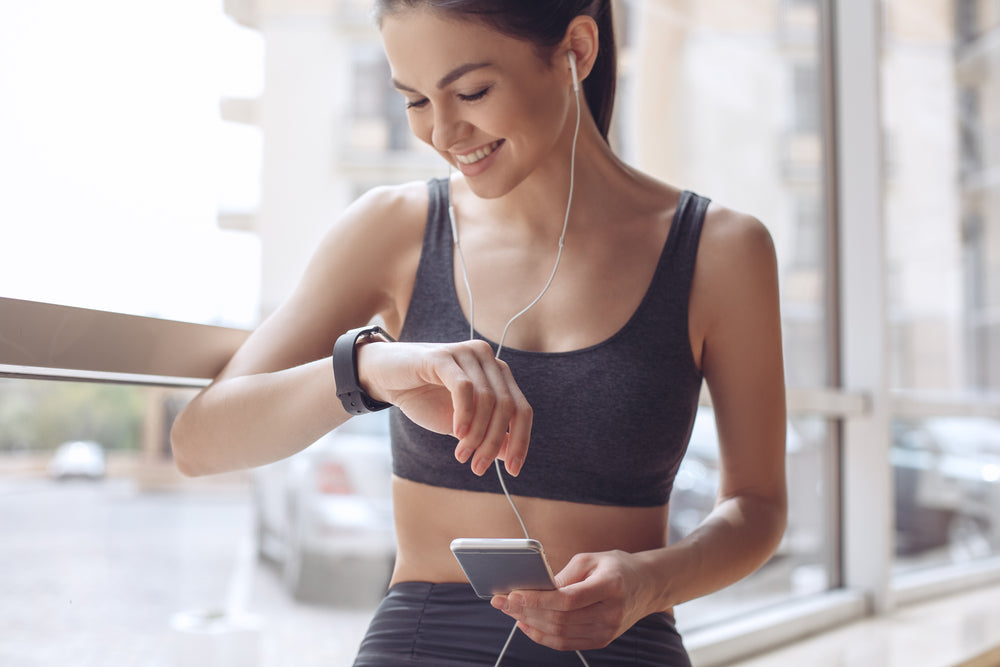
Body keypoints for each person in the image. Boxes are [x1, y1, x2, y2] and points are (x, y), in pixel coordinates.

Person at [170, 1, 788, 665]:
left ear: (577, 49)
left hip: (621, 643)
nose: (443, 131)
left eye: (472, 91)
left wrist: (649, 583)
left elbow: (756, 504)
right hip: (421, 641)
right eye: (414, 100)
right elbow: (200, 442)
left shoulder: (721, 252)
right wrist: (373, 369)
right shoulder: (396, 229)